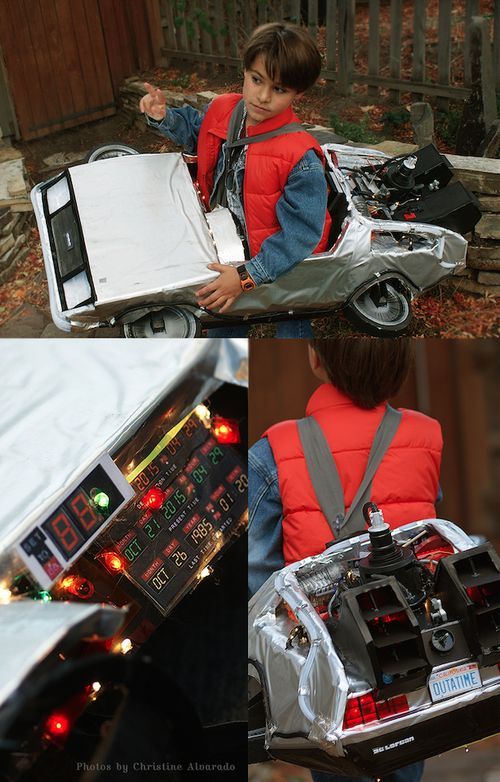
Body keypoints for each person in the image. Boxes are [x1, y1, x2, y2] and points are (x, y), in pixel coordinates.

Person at [248, 338, 443, 782]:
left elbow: (258, 577)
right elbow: (426, 538)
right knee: (405, 752)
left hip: (327, 664)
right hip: (408, 644)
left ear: (316, 358)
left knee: (340, 759)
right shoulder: (426, 436)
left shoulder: (274, 450)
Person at [139, 22, 331, 338]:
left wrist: (245, 277)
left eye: (279, 89)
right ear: (244, 71)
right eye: (257, 80)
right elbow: (199, 134)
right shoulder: (224, 108)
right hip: (228, 239)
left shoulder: (299, 157)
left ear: (298, 93)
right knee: (224, 324)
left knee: (290, 318)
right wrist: (164, 117)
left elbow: (300, 236)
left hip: (281, 261)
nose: (263, 96)